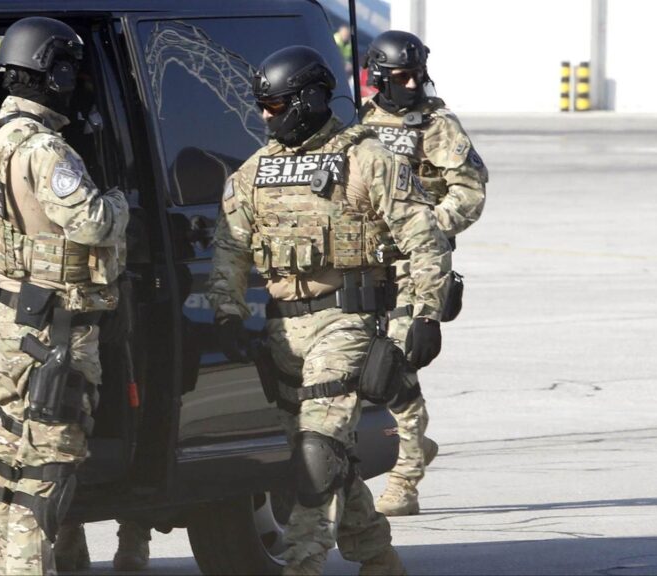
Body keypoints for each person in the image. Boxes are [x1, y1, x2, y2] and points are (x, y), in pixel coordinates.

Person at [207, 45, 452, 575]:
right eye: (263, 107)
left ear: (310, 100)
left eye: (277, 106)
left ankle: (302, 564)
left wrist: (425, 314)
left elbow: (423, 237)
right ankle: (378, 557)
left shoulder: (368, 158)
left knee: (317, 454)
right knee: (324, 456)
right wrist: (227, 313)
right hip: (283, 332)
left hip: (346, 322)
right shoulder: (256, 171)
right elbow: (230, 247)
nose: (267, 117)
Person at [0, 16, 129, 575]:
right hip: (55, 327)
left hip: (12, 317)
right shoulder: (45, 149)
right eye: (70, 71)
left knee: (12, 458)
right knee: (48, 468)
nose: (75, 82)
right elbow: (91, 221)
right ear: (53, 73)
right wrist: (120, 200)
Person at [360, 30, 488, 517]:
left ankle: (405, 477)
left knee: (397, 363)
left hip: (418, 266)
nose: (412, 84)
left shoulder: (437, 124)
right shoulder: (358, 122)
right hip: (365, 263)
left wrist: (429, 225)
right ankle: (409, 443)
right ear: (379, 77)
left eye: (417, 75)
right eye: (402, 76)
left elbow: (469, 191)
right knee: (359, 367)